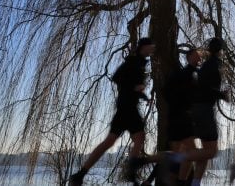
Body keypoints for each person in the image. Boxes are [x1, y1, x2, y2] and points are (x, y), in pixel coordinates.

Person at [68, 37, 156, 186]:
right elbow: (117, 78)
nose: (152, 49)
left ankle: (80, 174)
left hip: (126, 106)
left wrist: (143, 96)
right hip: (127, 107)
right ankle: (131, 171)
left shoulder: (139, 63)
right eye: (151, 46)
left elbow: (131, 85)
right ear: (143, 47)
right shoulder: (133, 62)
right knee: (139, 137)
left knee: (110, 142)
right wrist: (134, 88)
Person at [142, 47, 202, 186]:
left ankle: (146, 170)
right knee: (183, 155)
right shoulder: (184, 75)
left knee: (175, 157)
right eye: (196, 55)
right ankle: (143, 164)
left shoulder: (189, 74)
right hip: (181, 121)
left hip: (179, 122)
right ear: (189, 57)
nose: (199, 58)